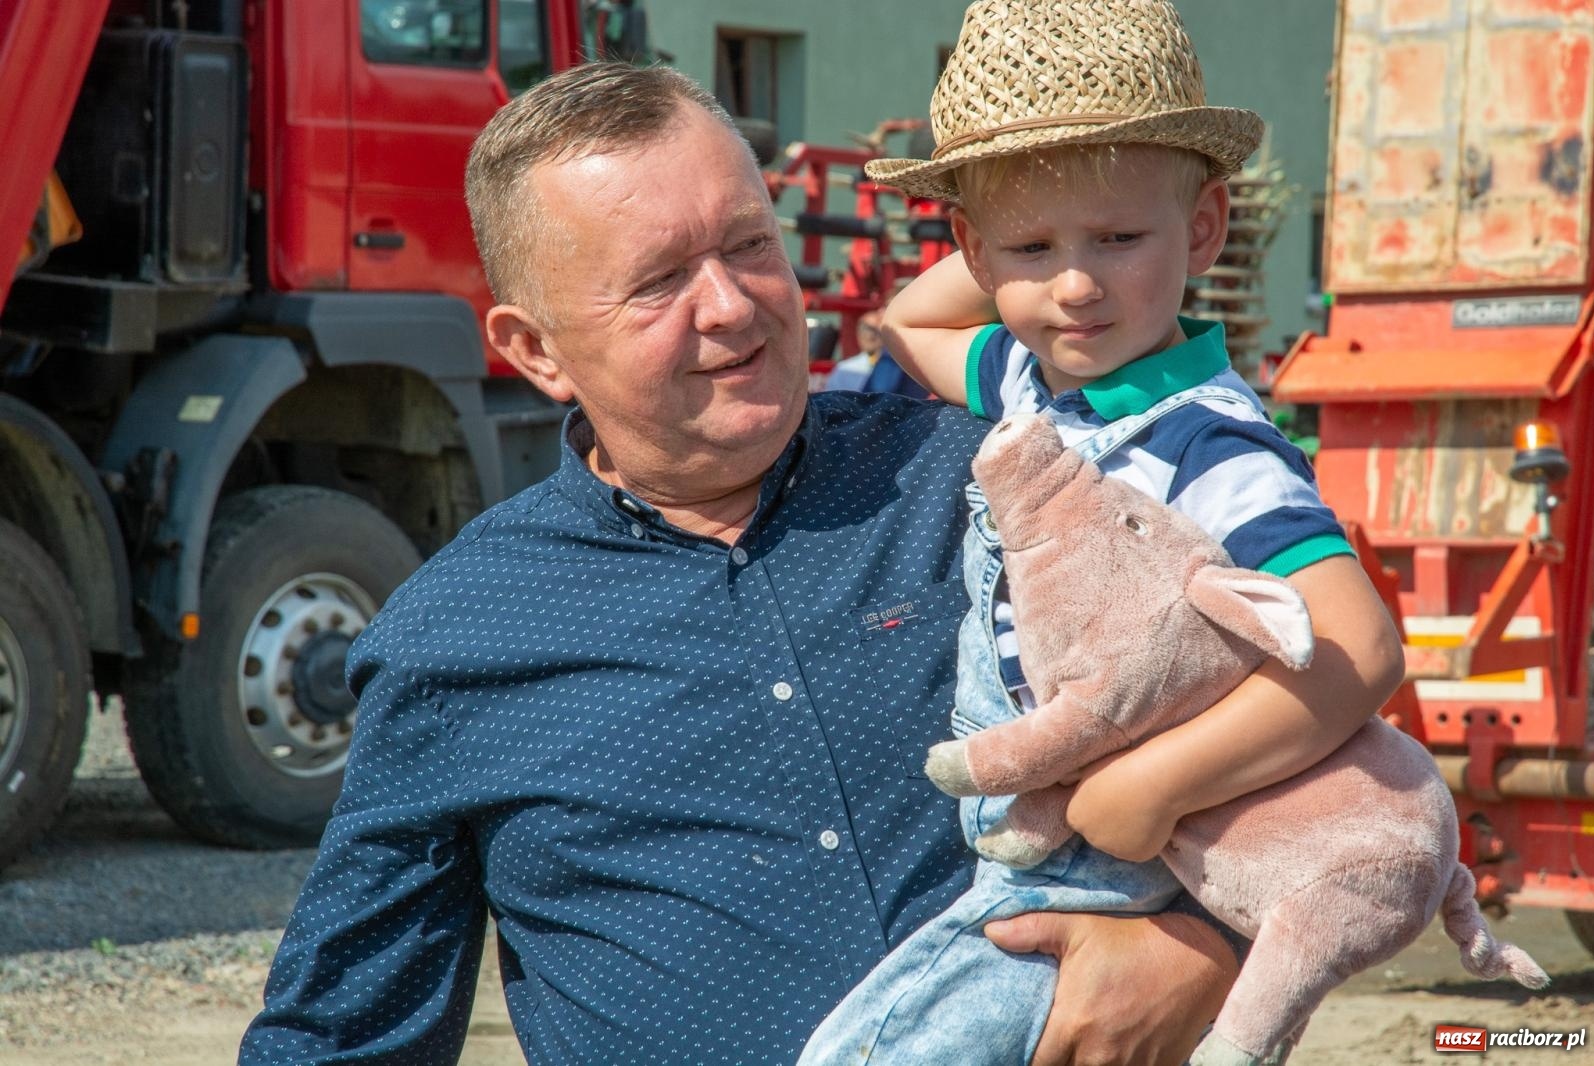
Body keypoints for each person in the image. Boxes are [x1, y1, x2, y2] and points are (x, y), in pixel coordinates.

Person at [237, 61, 1246, 1065]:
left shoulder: (994, 483)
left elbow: (1299, 749)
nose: (728, 305)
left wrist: (1201, 945)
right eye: (659, 280)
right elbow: (339, 1035)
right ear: (534, 350)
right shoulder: (456, 638)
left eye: (748, 246)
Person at [798, 2, 1405, 1064]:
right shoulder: (1033, 377)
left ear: (1206, 229)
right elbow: (907, 321)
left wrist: (1150, 785)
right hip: (1047, 826)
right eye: (1033, 247)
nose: (1075, 285)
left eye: (1120, 238)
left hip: (1116, 853)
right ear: (976, 255)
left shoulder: (1207, 442)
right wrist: (994, 228)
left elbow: (1358, 648)